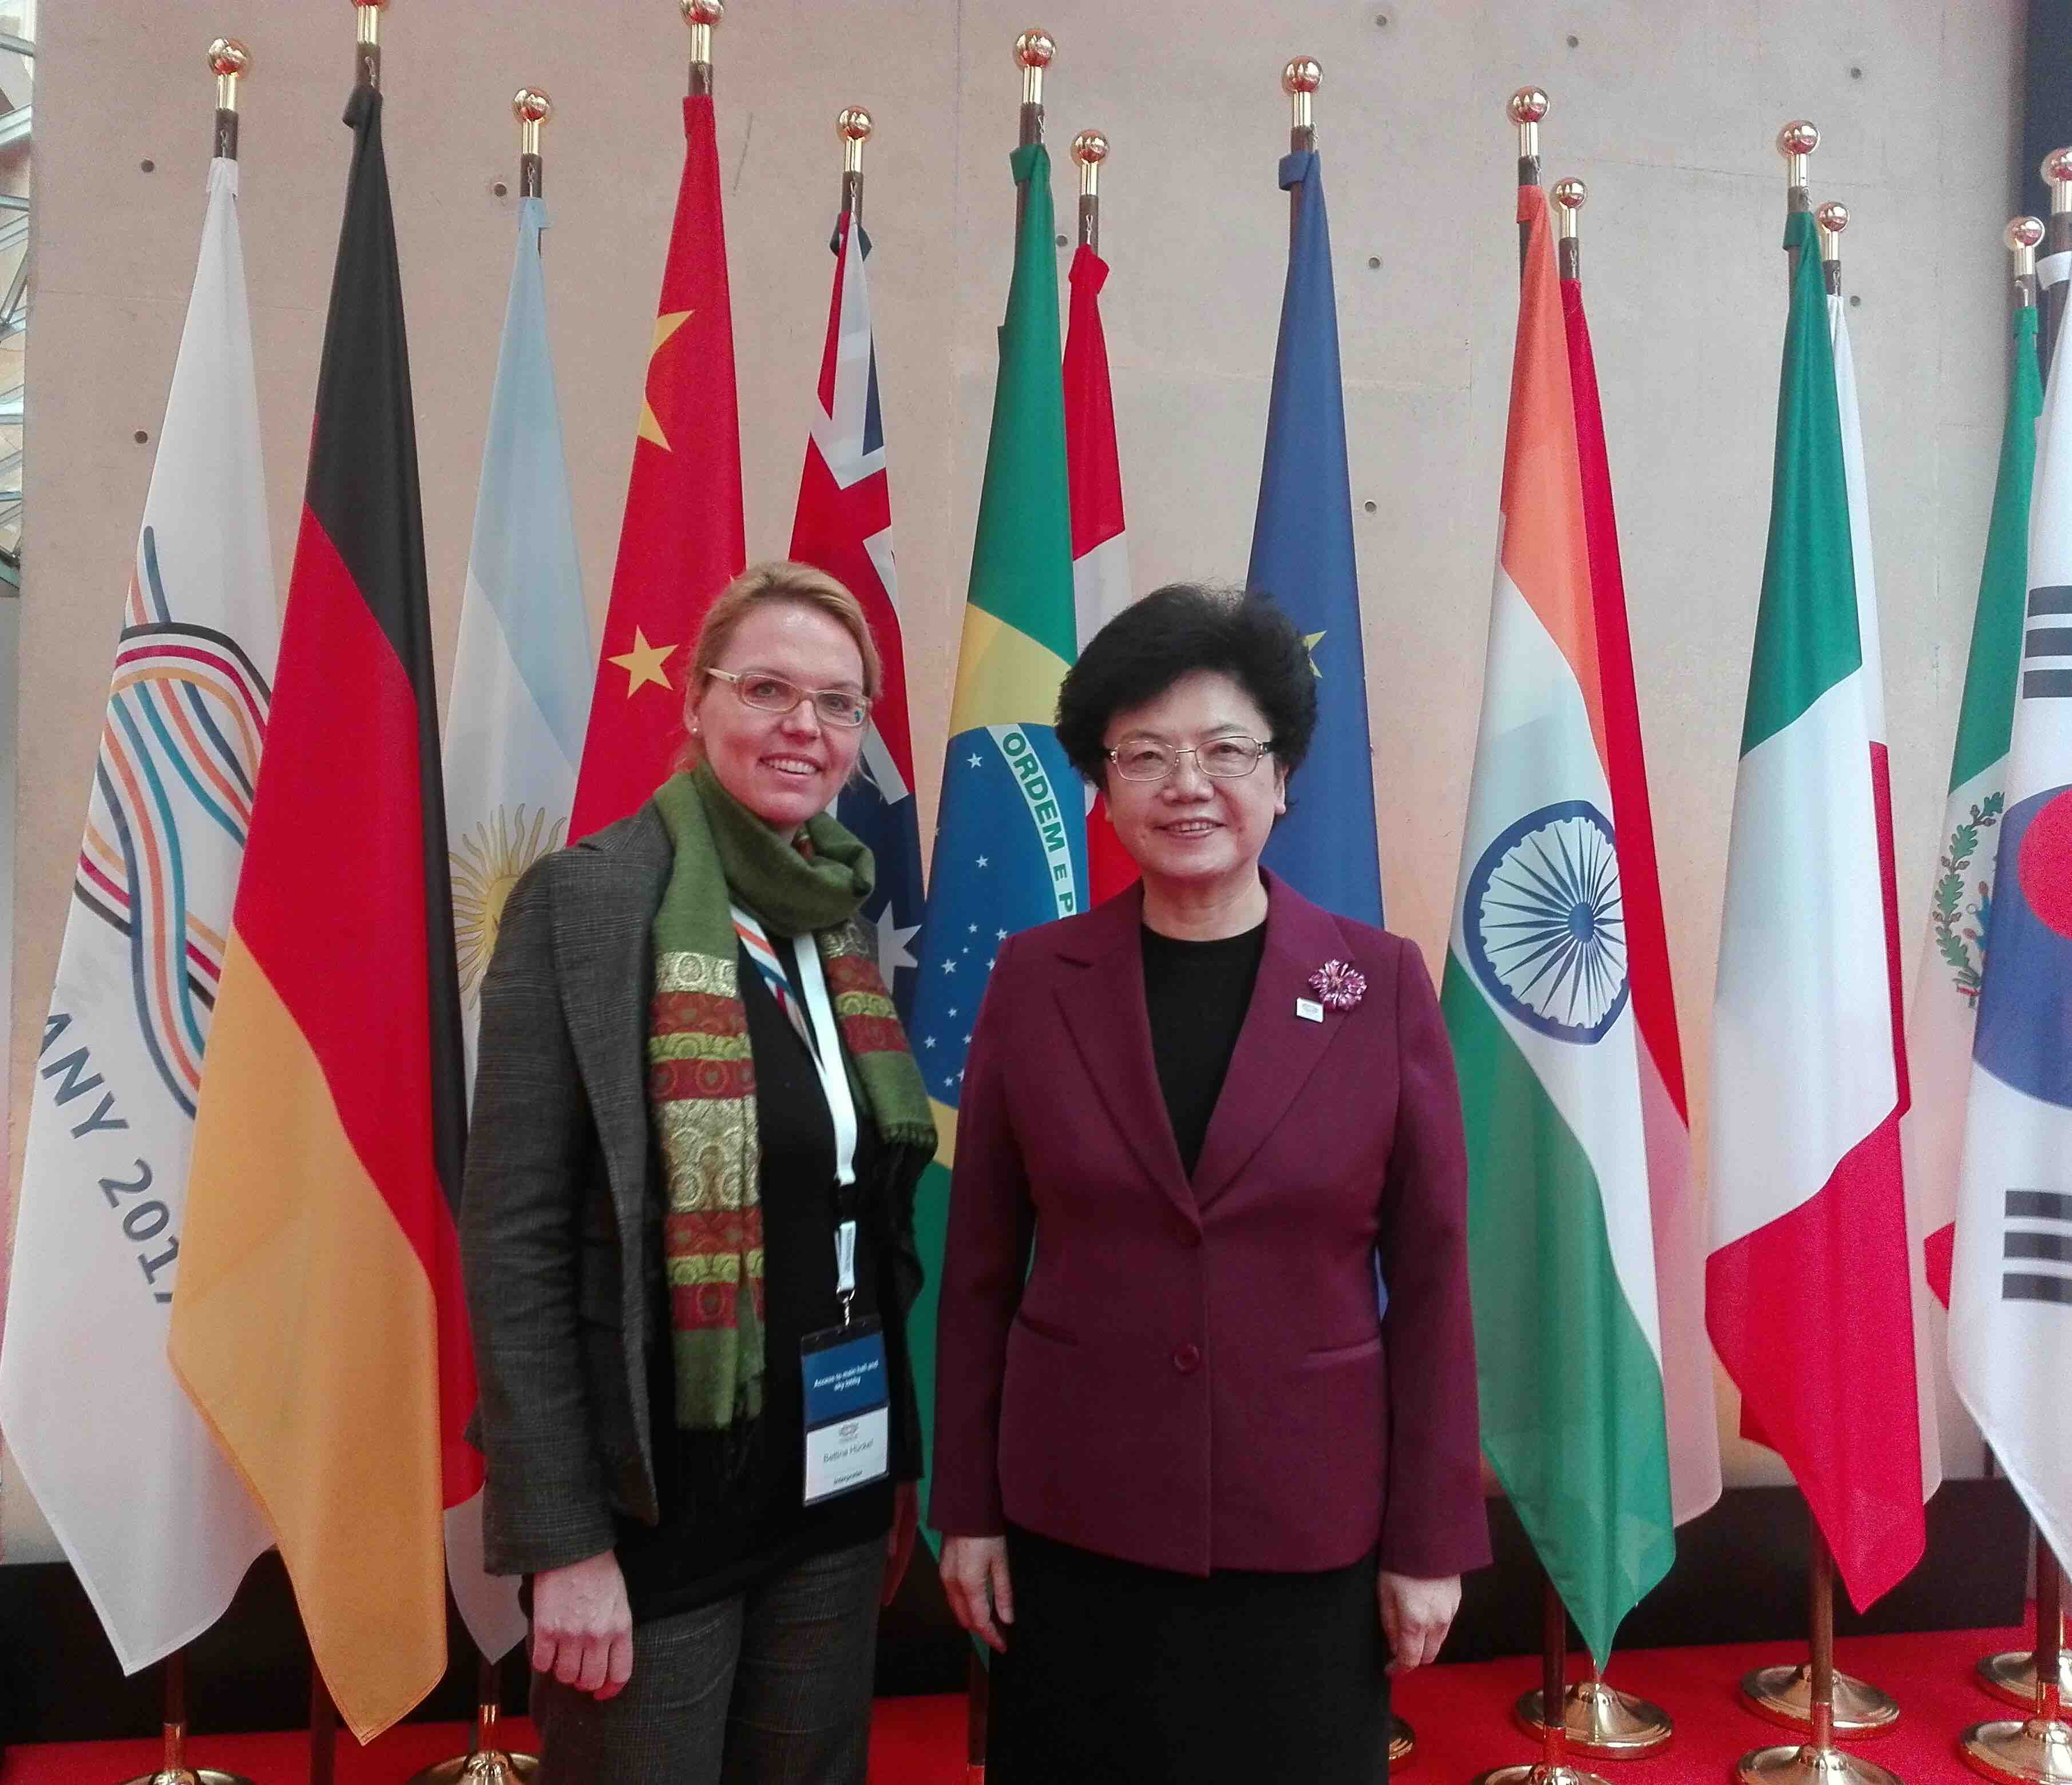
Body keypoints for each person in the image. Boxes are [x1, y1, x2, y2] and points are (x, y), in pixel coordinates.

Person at [930, 583, 1489, 1784]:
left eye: (1224, 749)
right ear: (1104, 785)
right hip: (1074, 1523)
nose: (1187, 783)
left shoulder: (1377, 985)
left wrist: (1429, 1538)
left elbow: (1435, 1279)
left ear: (1281, 778)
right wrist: (965, 1506)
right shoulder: (1036, 981)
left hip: (1305, 1529)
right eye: (1145, 754)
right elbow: (977, 1268)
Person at [461, 561, 938, 1785]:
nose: (804, 727)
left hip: (827, 1474)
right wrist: (560, 1541)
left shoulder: (831, 914)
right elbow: (512, 1245)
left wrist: (896, 1464)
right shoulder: (586, 905)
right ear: (695, 701)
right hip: (651, 1503)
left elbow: (859, 1213)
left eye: (839, 704)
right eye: (768, 688)